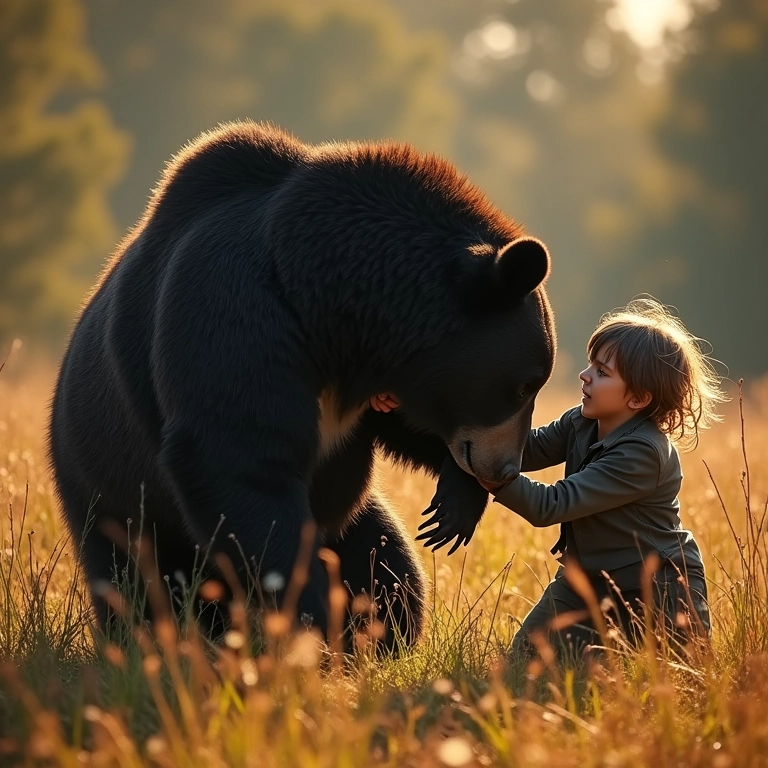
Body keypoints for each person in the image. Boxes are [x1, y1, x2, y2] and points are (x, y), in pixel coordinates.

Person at [374, 297, 726, 660]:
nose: (585, 375)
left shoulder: (643, 454)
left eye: (602, 372)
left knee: (677, 682)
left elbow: (552, 505)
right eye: (591, 364)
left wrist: (490, 471)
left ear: (638, 398)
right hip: (582, 581)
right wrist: (411, 403)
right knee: (523, 662)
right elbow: (522, 449)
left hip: (657, 589)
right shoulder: (581, 421)